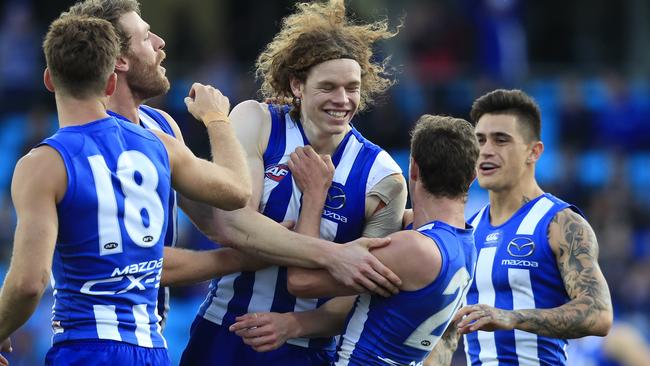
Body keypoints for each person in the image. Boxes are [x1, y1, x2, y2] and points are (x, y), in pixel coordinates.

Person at [66, 0, 403, 329]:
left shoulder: (160, 126)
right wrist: (216, 119)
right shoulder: (95, 144)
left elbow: (215, 220)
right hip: (122, 332)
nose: (160, 42)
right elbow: (231, 212)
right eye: (145, 37)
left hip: (150, 332)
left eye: (352, 88)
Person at [0, 15, 255, 365]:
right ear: (109, 84)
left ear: (48, 79)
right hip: (152, 348)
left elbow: (30, 283)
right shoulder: (158, 144)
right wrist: (217, 120)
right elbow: (238, 189)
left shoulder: (43, 163)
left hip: (85, 347)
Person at [180, 0, 408, 365]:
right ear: (297, 84)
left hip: (306, 351)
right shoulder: (256, 121)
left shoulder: (383, 176)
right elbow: (236, 224)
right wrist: (335, 256)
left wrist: (294, 324)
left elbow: (363, 292)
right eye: (328, 86)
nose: (343, 100)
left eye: (353, 87)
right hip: (223, 332)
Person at [230, 114, 480, 366]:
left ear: (412, 168)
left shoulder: (413, 248)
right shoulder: (465, 244)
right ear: (472, 177)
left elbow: (301, 281)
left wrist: (314, 195)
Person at [426, 89, 613, 366]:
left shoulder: (560, 222)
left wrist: (510, 317)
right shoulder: (467, 230)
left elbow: (599, 314)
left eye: (501, 140)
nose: (486, 150)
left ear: (533, 152)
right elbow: (451, 330)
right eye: (480, 140)